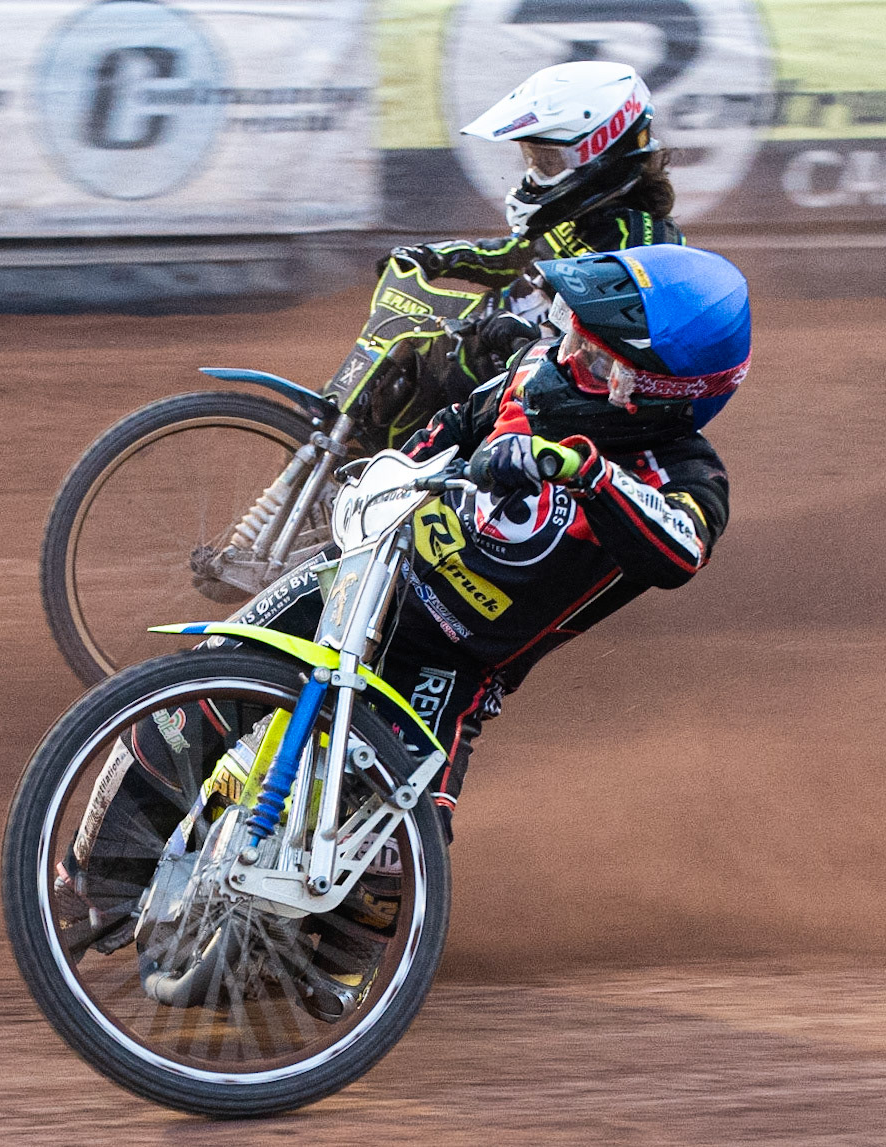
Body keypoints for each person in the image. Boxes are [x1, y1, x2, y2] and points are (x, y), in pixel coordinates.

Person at [58, 244, 748, 951]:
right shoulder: (529, 378)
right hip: (368, 576)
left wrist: (586, 471)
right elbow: (448, 427)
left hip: (450, 667)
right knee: (196, 691)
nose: (568, 357)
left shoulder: (687, 477)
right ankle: (92, 886)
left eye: (598, 360)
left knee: (391, 872)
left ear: (665, 394)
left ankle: (306, 969)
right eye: (571, 332)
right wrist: (398, 468)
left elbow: (682, 548)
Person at [365, 60, 688, 420]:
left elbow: (609, 348)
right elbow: (512, 252)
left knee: (439, 449)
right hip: (479, 350)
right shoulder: (575, 214)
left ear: (601, 153)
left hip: (532, 394)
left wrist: (531, 334)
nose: (534, 174)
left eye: (547, 161)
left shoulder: (644, 249)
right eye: (532, 158)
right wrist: (437, 256)